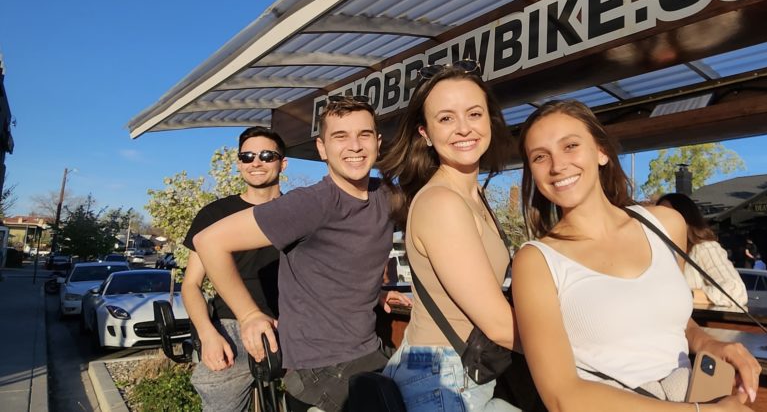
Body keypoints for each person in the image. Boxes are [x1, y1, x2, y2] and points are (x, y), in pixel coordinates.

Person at [512, 100, 759, 411]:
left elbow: (671, 321)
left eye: (571, 145)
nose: (557, 165)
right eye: (540, 156)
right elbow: (562, 397)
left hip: (689, 393)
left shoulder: (666, 225)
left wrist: (710, 344)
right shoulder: (536, 261)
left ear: (601, 152)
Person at [194, 97, 410, 412]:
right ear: (322, 148)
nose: (355, 146)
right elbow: (209, 241)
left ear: (377, 142)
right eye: (340, 136)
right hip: (320, 367)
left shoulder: (386, 197)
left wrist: (376, 291)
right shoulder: (311, 203)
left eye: (364, 135)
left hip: (366, 349)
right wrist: (249, 315)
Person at [378, 62, 519, 412]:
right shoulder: (442, 201)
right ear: (424, 132)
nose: (463, 128)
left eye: (474, 113)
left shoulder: (472, 195)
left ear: (490, 120)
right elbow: (499, 324)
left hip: (458, 371)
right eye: (445, 118)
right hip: (442, 381)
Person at [182, 126, 285, 412]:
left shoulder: (297, 210)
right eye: (247, 156)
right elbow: (191, 285)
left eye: (267, 155)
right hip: (231, 328)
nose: (256, 162)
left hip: (290, 325)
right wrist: (208, 334)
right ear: (239, 163)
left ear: (282, 162)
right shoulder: (214, 214)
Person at [656, 193, 747, 309]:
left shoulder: (703, 248)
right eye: (658, 216)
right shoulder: (657, 253)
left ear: (686, 219)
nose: (661, 221)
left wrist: (685, 296)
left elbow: (736, 291)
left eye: (668, 215)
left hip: (699, 323)